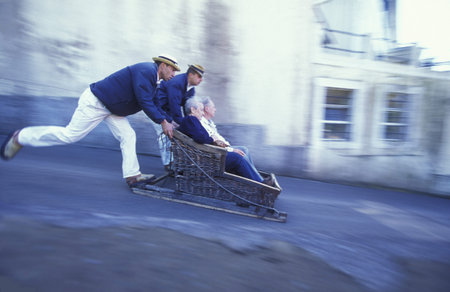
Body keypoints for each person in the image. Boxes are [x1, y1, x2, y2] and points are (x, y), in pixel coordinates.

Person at [1, 54, 180, 187]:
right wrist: (161, 122)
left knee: (128, 135)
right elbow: (144, 100)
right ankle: (20, 136)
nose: (173, 73)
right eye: (172, 69)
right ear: (162, 65)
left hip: (112, 108)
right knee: (69, 135)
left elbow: (155, 102)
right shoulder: (147, 70)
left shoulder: (155, 80)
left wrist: (168, 120)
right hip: (96, 103)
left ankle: (132, 176)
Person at [177, 97, 272, 185]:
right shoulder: (191, 119)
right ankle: (260, 183)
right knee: (237, 157)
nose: (202, 113)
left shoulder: (192, 121)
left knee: (241, 152)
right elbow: (202, 138)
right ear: (193, 109)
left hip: (207, 154)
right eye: (201, 110)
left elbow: (204, 138)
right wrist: (216, 141)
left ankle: (257, 179)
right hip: (207, 158)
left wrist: (214, 140)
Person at [198, 96, 263, 181]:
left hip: (221, 150)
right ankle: (259, 181)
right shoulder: (202, 123)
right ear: (206, 108)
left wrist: (230, 148)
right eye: (213, 107)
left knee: (244, 149)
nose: (215, 109)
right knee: (238, 156)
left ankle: (254, 177)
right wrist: (230, 150)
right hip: (216, 154)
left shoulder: (209, 122)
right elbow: (214, 142)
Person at [153, 64, 204, 171]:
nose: (201, 80)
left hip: (168, 112)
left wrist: (191, 123)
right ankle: (168, 164)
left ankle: (175, 162)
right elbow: (175, 106)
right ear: (191, 74)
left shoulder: (191, 89)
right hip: (158, 110)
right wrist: (184, 124)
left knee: (174, 135)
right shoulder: (177, 83)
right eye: (199, 76)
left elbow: (188, 109)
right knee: (164, 135)